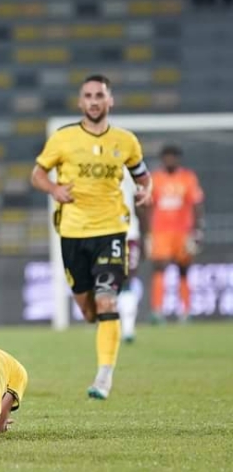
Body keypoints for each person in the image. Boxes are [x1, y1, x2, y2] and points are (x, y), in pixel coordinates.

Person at [31, 75, 151, 400]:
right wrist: (54, 189)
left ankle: (104, 377)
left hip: (112, 229)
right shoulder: (63, 138)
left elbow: (143, 175)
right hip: (72, 233)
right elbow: (37, 174)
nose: (94, 101)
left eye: (100, 95)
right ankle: (104, 323)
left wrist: (145, 190)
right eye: (88, 95)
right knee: (88, 311)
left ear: (110, 100)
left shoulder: (126, 141)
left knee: (107, 299)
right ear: (81, 102)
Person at [146, 145, 205, 323]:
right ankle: (157, 311)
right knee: (159, 267)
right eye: (167, 157)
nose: (170, 160)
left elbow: (196, 204)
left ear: (178, 159)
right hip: (161, 231)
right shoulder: (155, 178)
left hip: (183, 231)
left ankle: (186, 311)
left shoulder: (188, 178)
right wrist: (147, 231)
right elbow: (148, 205)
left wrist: (197, 230)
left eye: (173, 157)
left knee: (184, 269)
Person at [117, 173, 144, 344]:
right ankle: (109, 325)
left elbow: (140, 201)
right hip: (99, 234)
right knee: (104, 282)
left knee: (126, 280)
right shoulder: (89, 164)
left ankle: (128, 328)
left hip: (128, 234)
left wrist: (147, 235)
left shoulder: (127, 167)